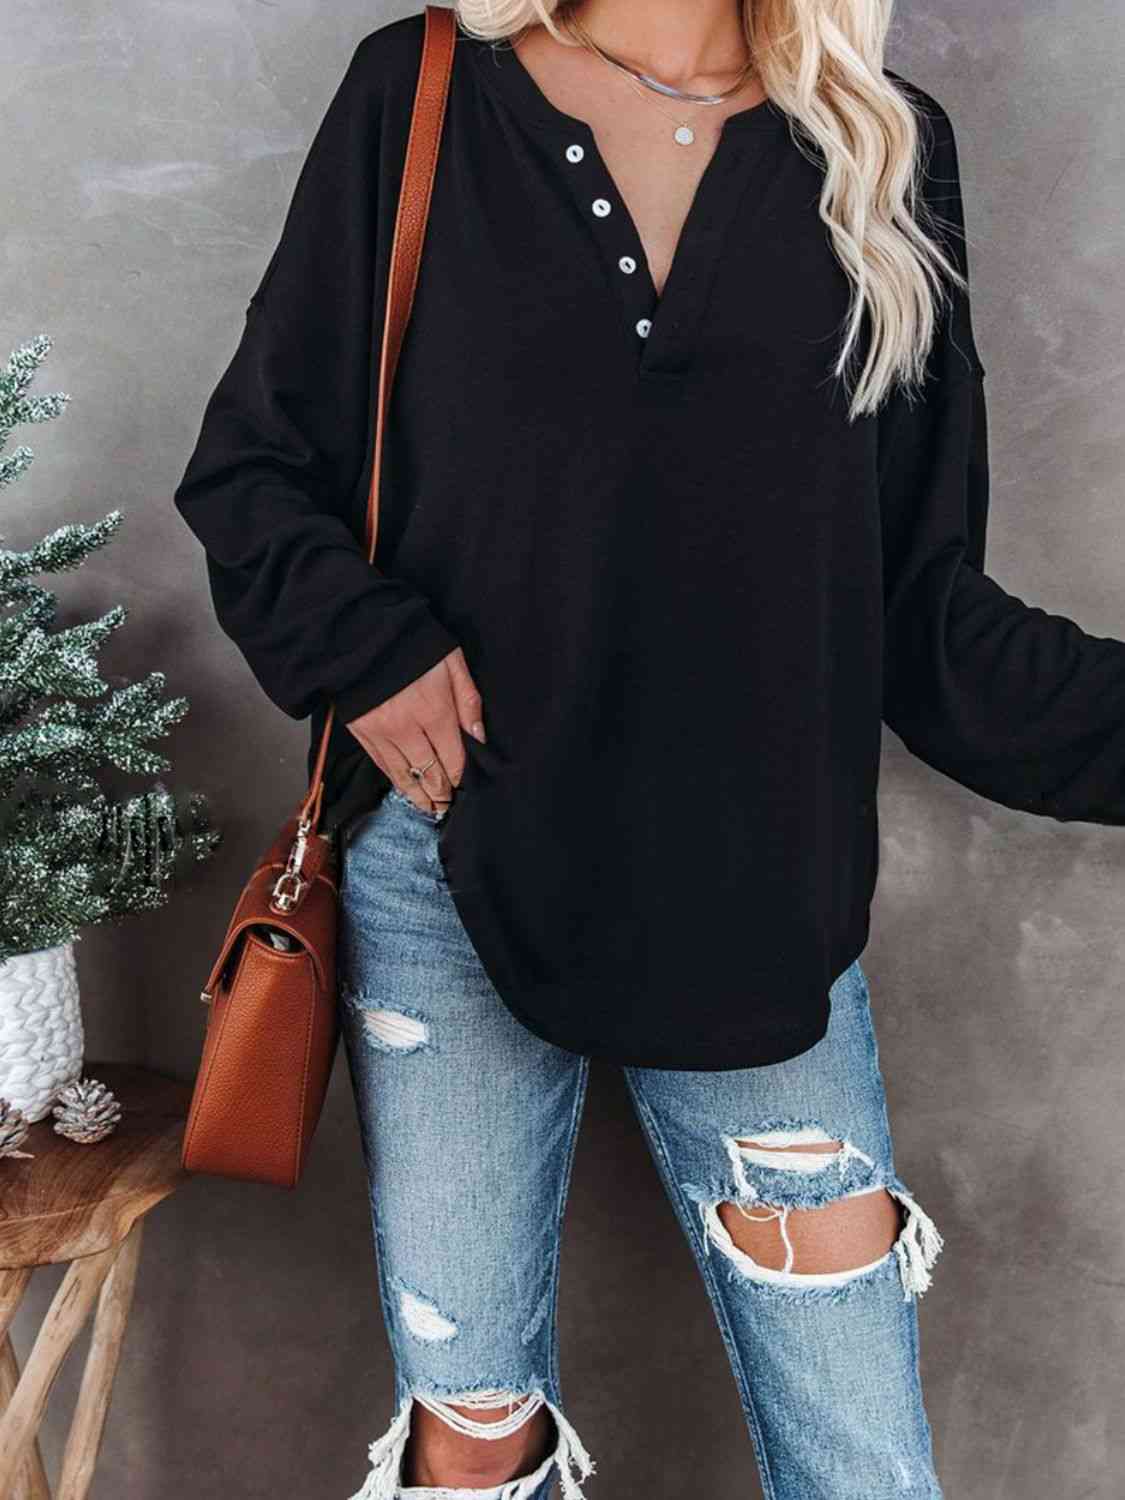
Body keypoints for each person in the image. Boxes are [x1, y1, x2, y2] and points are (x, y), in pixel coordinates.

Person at [172, 2, 1125, 1496]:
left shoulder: (879, 148)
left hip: (752, 895)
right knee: (472, 1441)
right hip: (448, 863)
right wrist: (367, 651)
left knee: (862, 1462)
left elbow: (923, 615)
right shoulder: (420, 92)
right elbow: (253, 464)